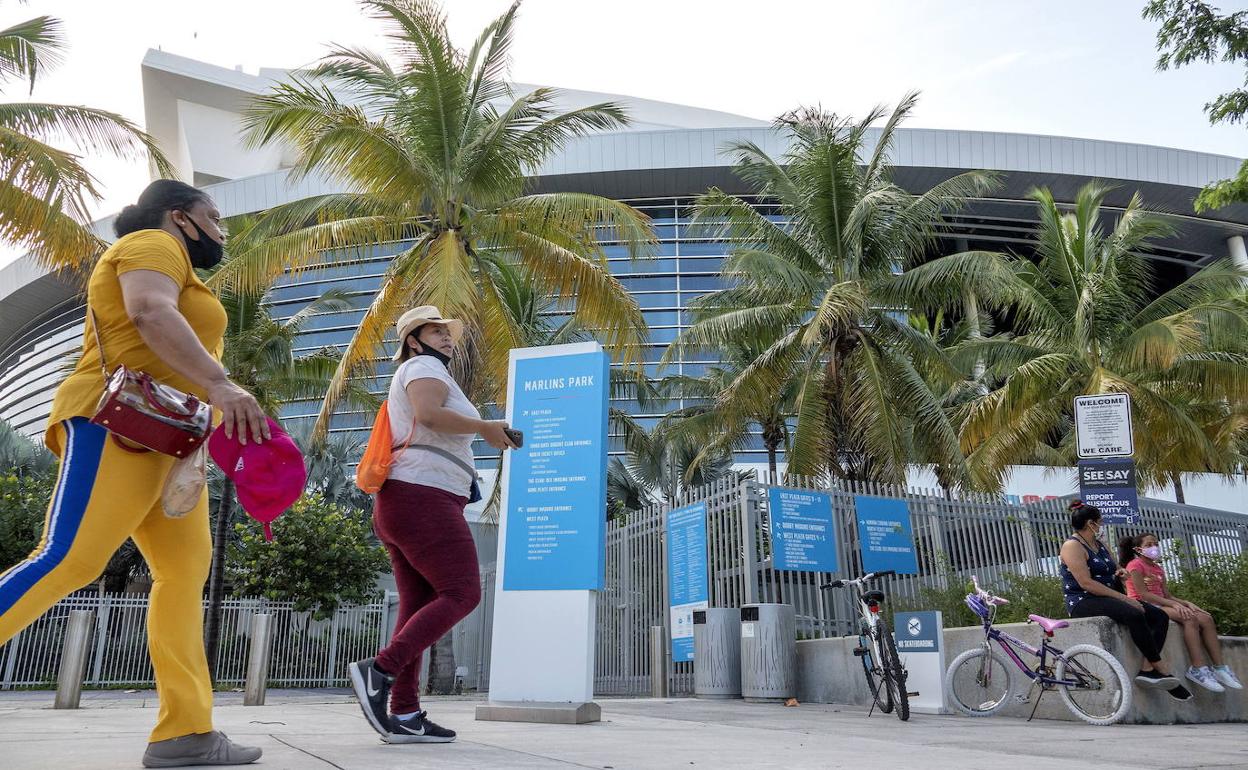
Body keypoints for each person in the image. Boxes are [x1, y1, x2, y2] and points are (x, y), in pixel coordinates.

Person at [0, 180, 269, 767]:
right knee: (70, 558)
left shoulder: (182, 266)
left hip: (171, 441)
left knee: (183, 574)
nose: (222, 231)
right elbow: (148, 310)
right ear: (182, 217)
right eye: (215, 217)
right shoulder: (152, 243)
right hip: (114, 422)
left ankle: (186, 733)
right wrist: (222, 383)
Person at [349, 306, 516, 744]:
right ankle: (380, 671)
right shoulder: (422, 367)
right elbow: (428, 415)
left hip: (405, 499)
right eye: (435, 330)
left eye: (448, 332)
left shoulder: (421, 369)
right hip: (423, 496)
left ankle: (403, 713)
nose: (446, 337)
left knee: (415, 607)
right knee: (463, 592)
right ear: (413, 340)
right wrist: (484, 427)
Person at [1058, 501, 1192, 701]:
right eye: (1099, 521)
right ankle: (1162, 668)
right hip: (1084, 601)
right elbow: (1086, 583)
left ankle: (1147, 669)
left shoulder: (1099, 545)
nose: (1101, 524)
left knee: (1159, 616)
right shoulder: (1072, 546)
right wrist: (1125, 599)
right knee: (1134, 613)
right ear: (1090, 523)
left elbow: (1114, 568)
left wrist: (1120, 573)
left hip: (1108, 596)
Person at [1119, 533, 1243, 693]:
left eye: (1155, 544)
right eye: (1149, 545)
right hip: (1146, 606)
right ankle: (1197, 668)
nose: (1154, 547)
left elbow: (1167, 595)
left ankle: (1219, 668)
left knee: (1206, 619)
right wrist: (1175, 606)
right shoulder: (1135, 565)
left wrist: (1186, 603)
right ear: (1138, 549)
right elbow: (1144, 594)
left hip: (1162, 604)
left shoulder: (1158, 568)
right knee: (1189, 618)